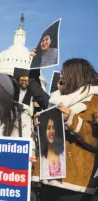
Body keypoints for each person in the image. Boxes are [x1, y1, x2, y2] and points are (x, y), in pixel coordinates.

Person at [33, 58, 98, 201]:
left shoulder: (95, 101)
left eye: (65, 74)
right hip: (47, 178)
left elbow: (96, 139)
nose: (61, 78)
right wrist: (42, 125)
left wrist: (71, 119)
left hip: (75, 184)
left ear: (76, 75)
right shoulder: (55, 101)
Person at [39, 109, 65, 179]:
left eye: (53, 128)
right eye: (48, 128)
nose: (51, 131)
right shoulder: (40, 157)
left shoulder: (63, 155)